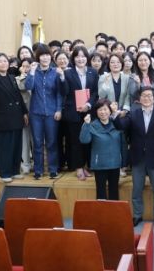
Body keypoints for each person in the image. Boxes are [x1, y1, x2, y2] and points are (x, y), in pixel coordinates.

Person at [113, 87, 154, 228]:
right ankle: (137, 215)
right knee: (137, 189)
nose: (147, 98)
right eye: (144, 95)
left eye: (149, 95)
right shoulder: (133, 114)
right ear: (139, 99)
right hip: (137, 157)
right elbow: (121, 126)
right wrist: (114, 114)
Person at [0, 53, 28, 183]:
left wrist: (24, 112)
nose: (3, 63)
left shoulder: (11, 77)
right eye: (0, 61)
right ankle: (4, 172)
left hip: (16, 115)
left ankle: (15, 170)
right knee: (5, 146)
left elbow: (18, 97)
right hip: (2, 117)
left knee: (16, 145)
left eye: (5, 61)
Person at [25, 44, 63, 180]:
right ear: (38, 58)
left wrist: (59, 109)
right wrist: (31, 72)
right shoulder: (34, 71)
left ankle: (53, 169)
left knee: (52, 142)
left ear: (51, 57)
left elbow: (59, 93)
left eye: (47, 55)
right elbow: (28, 86)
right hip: (36, 113)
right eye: (42, 55)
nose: (45, 58)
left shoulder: (55, 72)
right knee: (37, 143)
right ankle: (38, 170)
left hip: (52, 113)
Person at [60, 46, 99, 180]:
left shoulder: (93, 72)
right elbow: (64, 92)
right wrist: (62, 78)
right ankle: (79, 167)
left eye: (83, 56)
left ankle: (86, 166)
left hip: (88, 111)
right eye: (77, 56)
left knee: (88, 140)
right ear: (73, 58)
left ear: (87, 58)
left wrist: (88, 105)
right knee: (76, 141)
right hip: (73, 112)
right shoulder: (68, 73)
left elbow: (95, 92)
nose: (80, 59)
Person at [80, 99, 127, 200]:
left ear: (110, 111)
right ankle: (101, 211)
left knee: (114, 192)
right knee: (101, 193)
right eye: (100, 110)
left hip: (114, 164)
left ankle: (114, 210)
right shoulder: (92, 125)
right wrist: (86, 124)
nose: (103, 112)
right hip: (100, 165)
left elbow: (123, 144)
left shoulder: (116, 124)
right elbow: (84, 140)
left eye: (105, 109)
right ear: (96, 112)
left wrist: (123, 163)